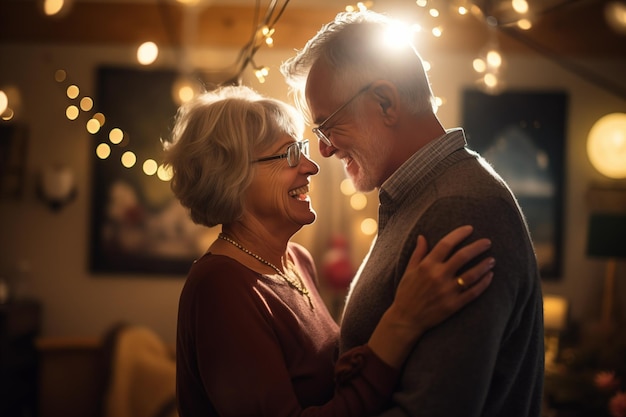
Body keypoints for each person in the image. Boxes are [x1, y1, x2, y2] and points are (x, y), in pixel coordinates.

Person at [163, 85, 496, 416]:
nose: (311, 166)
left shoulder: (297, 261)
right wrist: (402, 323)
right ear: (233, 176)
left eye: (303, 149)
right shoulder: (219, 287)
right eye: (290, 154)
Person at [281, 10, 544, 417]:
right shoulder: (426, 199)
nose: (325, 150)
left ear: (386, 102)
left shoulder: (458, 211)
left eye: (327, 126)